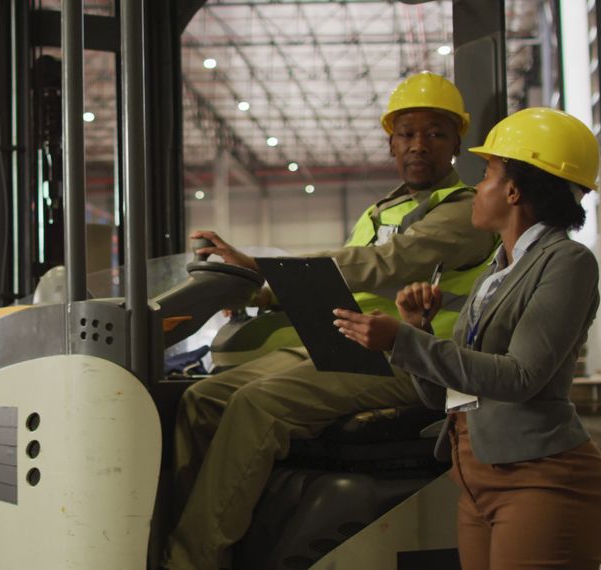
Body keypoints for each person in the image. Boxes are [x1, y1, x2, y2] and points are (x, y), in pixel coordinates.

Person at [163, 72, 497, 570]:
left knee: (258, 405)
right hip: (348, 348)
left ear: (457, 144)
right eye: (407, 133)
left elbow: (382, 265)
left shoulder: (461, 212)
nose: (419, 145)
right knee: (202, 397)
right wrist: (258, 293)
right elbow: (339, 287)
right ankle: (202, 532)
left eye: (435, 133)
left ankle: (192, 560)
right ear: (391, 142)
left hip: (411, 360)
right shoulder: (380, 211)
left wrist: (258, 264)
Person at [334, 107, 601, 570]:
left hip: (539, 478)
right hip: (473, 478)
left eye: (486, 174)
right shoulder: (496, 272)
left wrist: (402, 342)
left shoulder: (566, 262)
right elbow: (447, 393)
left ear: (513, 189)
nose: (476, 186)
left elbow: (521, 377)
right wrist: (418, 331)